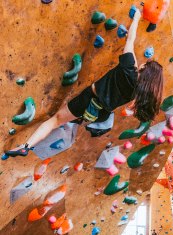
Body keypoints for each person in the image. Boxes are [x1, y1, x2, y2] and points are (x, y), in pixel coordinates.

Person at [5, 8, 164, 158]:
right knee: (69, 120)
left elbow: (131, 39)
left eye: (145, 64)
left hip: (88, 99)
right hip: (99, 113)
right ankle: (46, 142)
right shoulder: (137, 93)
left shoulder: (129, 67)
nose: (143, 63)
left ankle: (26, 146)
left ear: (145, 69)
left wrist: (136, 17)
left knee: (55, 120)